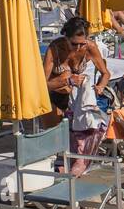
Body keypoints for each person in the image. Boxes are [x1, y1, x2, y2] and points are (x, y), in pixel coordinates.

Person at [42, 16, 111, 175]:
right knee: (56, 137)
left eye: (83, 43)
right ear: (65, 38)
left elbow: (105, 73)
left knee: (85, 116)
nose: (79, 48)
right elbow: (42, 84)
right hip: (54, 95)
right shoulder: (55, 49)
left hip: (74, 99)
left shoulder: (90, 47)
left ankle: (77, 160)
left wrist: (100, 86)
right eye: (74, 43)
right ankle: (70, 160)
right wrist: (67, 81)